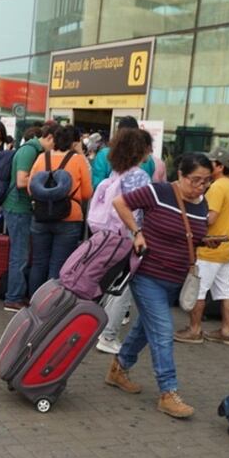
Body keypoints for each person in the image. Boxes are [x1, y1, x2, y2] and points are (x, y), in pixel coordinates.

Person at [105, 153, 212, 419]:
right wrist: (136, 232)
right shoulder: (159, 191)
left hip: (176, 279)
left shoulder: (201, 203)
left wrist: (204, 241)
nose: (201, 186)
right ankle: (168, 392)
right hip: (148, 275)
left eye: (206, 181)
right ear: (181, 176)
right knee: (163, 331)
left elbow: (189, 233)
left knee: (145, 328)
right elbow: (120, 203)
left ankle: (119, 368)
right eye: (196, 180)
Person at [95, 128, 154, 353]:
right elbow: (142, 208)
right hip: (131, 233)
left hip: (112, 233)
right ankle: (108, 335)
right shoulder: (139, 176)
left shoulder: (117, 172)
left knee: (113, 284)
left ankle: (102, 329)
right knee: (124, 288)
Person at [175, 146, 229, 346]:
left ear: (219, 166)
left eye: (212, 163)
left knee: (199, 290)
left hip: (211, 249)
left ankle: (195, 330)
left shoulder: (218, 187)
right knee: (226, 291)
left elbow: (210, 218)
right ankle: (227, 331)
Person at [27, 124, 93, 290]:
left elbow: (30, 188)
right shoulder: (78, 160)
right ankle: (51, 307)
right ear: (73, 142)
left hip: (41, 215)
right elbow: (87, 193)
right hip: (69, 217)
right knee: (59, 265)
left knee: (38, 262)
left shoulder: (42, 158)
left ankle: (34, 302)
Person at [1, 124, 51, 312]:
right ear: (50, 138)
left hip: (20, 208)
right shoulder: (29, 150)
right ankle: (13, 297)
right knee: (19, 255)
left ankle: (16, 295)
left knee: (21, 253)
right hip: (17, 208)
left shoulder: (32, 149)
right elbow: (22, 181)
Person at [91, 116, 156, 187]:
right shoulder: (146, 158)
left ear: (117, 134)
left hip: (112, 196)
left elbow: (97, 185)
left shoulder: (104, 155)